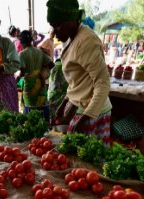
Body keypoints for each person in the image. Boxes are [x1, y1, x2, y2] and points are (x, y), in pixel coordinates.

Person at [47, 0, 114, 142]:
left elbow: (103, 83)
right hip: (81, 107)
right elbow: (78, 79)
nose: (54, 32)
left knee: (85, 153)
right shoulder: (71, 37)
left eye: (58, 25)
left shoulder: (86, 41)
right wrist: (65, 102)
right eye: (52, 26)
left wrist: (85, 119)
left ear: (72, 20)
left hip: (94, 111)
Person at [17, 30, 53, 120]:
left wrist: (16, 79)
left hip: (29, 85)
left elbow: (22, 72)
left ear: (21, 42)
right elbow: (51, 64)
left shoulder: (22, 54)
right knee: (41, 105)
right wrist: (41, 72)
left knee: (31, 110)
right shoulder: (40, 51)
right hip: (41, 82)